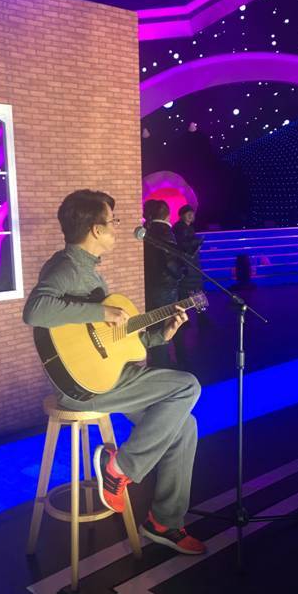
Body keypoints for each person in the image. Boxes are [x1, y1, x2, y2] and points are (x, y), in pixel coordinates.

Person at [23, 189, 205, 554]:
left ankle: (163, 523)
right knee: (187, 386)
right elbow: (35, 311)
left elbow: (117, 341)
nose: (116, 228)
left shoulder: (87, 270)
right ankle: (119, 467)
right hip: (83, 387)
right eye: (113, 222)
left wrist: (161, 334)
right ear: (95, 229)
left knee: (185, 426)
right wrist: (101, 312)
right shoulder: (66, 267)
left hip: (107, 378)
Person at [143, 199, 184, 368]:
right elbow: (171, 264)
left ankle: (157, 363)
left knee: (153, 327)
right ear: (168, 214)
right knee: (165, 328)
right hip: (165, 289)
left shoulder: (147, 231)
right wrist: (180, 274)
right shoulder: (166, 232)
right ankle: (163, 366)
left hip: (149, 287)